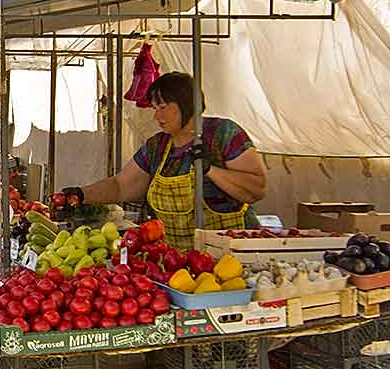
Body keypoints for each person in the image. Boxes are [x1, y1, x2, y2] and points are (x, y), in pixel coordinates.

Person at [75, 72, 267, 249]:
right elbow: (120, 185)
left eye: (163, 107)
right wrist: (81, 195)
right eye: (155, 108)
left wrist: (210, 169)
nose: (157, 116)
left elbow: (256, 189)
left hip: (234, 254)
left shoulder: (224, 134)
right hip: (180, 261)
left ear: (186, 104)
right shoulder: (157, 147)